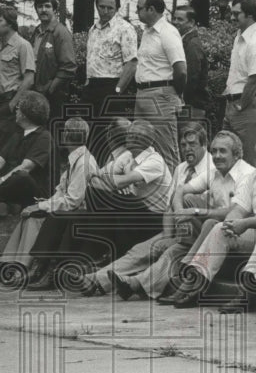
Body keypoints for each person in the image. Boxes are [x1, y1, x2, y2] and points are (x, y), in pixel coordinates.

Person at [165, 134, 256, 311]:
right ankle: (197, 285)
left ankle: (246, 293)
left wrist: (247, 223)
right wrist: (230, 224)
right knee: (219, 227)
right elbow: (239, 208)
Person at [25, 119, 174, 289]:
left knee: (98, 195)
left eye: (137, 136)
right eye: (130, 135)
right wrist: (105, 181)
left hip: (153, 219)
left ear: (149, 141)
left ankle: (83, 262)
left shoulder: (154, 161)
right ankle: (46, 266)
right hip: (130, 212)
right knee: (62, 215)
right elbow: (95, 176)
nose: (130, 139)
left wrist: (107, 182)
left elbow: (119, 182)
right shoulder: (127, 156)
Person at [111, 129, 255, 302]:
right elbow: (181, 190)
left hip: (239, 231)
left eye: (222, 151)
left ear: (237, 154)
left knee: (202, 225)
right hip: (211, 230)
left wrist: (195, 212)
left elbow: (235, 211)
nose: (217, 155)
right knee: (187, 207)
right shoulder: (214, 172)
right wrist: (180, 213)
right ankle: (135, 284)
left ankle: (174, 280)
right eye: (215, 151)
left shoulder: (247, 174)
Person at [85, 122, 214, 298]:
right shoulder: (181, 168)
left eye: (192, 144)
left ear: (204, 145)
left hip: (198, 230)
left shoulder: (212, 168)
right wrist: (167, 235)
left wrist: (172, 238)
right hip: (175, 228)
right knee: (139, 250)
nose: (187, 149)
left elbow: (205, 208)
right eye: (183, 145)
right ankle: (95, 280)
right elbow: (170, 206)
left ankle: (132, 283)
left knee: (166, 250)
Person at [0, 117, 97, 276]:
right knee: (29, 216)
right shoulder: (77, 160)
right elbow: (62, 192)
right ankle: (8, 264)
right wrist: (45, 203)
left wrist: (40, 206)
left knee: (34, 218)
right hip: (70, 210)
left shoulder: (83, 163)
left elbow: (73, 200)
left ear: (66, 136)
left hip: (76, 214)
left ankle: (19, 268)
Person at [133, 0, 187, 172]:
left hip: (161, 96)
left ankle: (174, 197)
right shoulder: (148, 32)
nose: (136, 12)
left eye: (139, 8)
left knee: (166, 151)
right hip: (142, 94)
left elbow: (181, 70)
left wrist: (174, 95)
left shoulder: (168, 33)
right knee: (140, 148)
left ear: (151, 9)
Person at [83, 0, 138, 160]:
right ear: (96, 6)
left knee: (106, 137)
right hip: (92, 87)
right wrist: (87, 83)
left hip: (111, 86)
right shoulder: (93, 29)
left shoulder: (125, 29)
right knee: (89, 135)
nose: (105, 11)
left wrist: (117, 90)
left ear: (117, 8)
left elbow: (132, 63)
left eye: (110, 8)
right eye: (101, 7)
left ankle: (108, 177)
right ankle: (89, 176)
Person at [221, 0, 256, 166]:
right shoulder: (240, 37)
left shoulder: (254, 43)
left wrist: (241, 105)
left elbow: (254, 79)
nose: (232, 18)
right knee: (225, 155)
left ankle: (254, 193)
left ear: (250, 16)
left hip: (245, 106)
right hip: (234, 105)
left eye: (236, 14)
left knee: (247, 162)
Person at [0, 5, 35, 159]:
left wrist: (13, 104)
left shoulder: (23, 45)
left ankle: (3, 181)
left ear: (10, 23)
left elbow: (29, 79)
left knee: (4, 149)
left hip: (6, 102)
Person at [31, 0, 77, 119]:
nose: (43, 10)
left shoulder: (60, 33)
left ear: (54, 9)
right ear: (36, 9)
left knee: (52, 133)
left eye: (47, 6)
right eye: (40, 6)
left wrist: (50, 89)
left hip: (54, 98)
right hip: (35, 94)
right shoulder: (36, 32)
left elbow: (69, 67)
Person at [172, 4, 210, 122]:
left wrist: (181, 100)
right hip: (188, 106)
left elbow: (191, 76)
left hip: (191, 107)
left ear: (191, 22)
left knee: (188, 138)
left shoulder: (192, 44)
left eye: (180, 19)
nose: (175, 22)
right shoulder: (183, 41)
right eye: (174, 18)